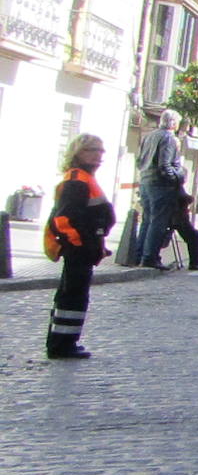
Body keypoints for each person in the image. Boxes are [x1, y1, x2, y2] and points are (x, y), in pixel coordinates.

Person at [43, 134, 115, 359]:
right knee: (72, 297)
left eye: (102, 151)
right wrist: (80, 246)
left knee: (72, 295)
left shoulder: (84, 178)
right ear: (79, 152)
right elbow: (64, 219)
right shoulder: (77, 180)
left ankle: (63, 342)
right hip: (78, 250)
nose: (99, 155)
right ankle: (62, 345)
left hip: (83, 248)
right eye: (94, 150)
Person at [135, 109, 185, 269]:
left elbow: (139, 160)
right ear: (174, 123)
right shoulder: (168, 138)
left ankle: (139, 255)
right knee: (158, 222)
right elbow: (165, 166)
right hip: (160, 185)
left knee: (147, 220)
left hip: (145, 182)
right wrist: (176, 179)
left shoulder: (149, 136)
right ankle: (150, 257)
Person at [169, 184, 198, 270]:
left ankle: (195, 263)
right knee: (194, 236)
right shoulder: (174, 184)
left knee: (194, 235)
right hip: (177, 218)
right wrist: (190, 198)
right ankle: (195, 263)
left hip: (175, 216)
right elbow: (183, 198)